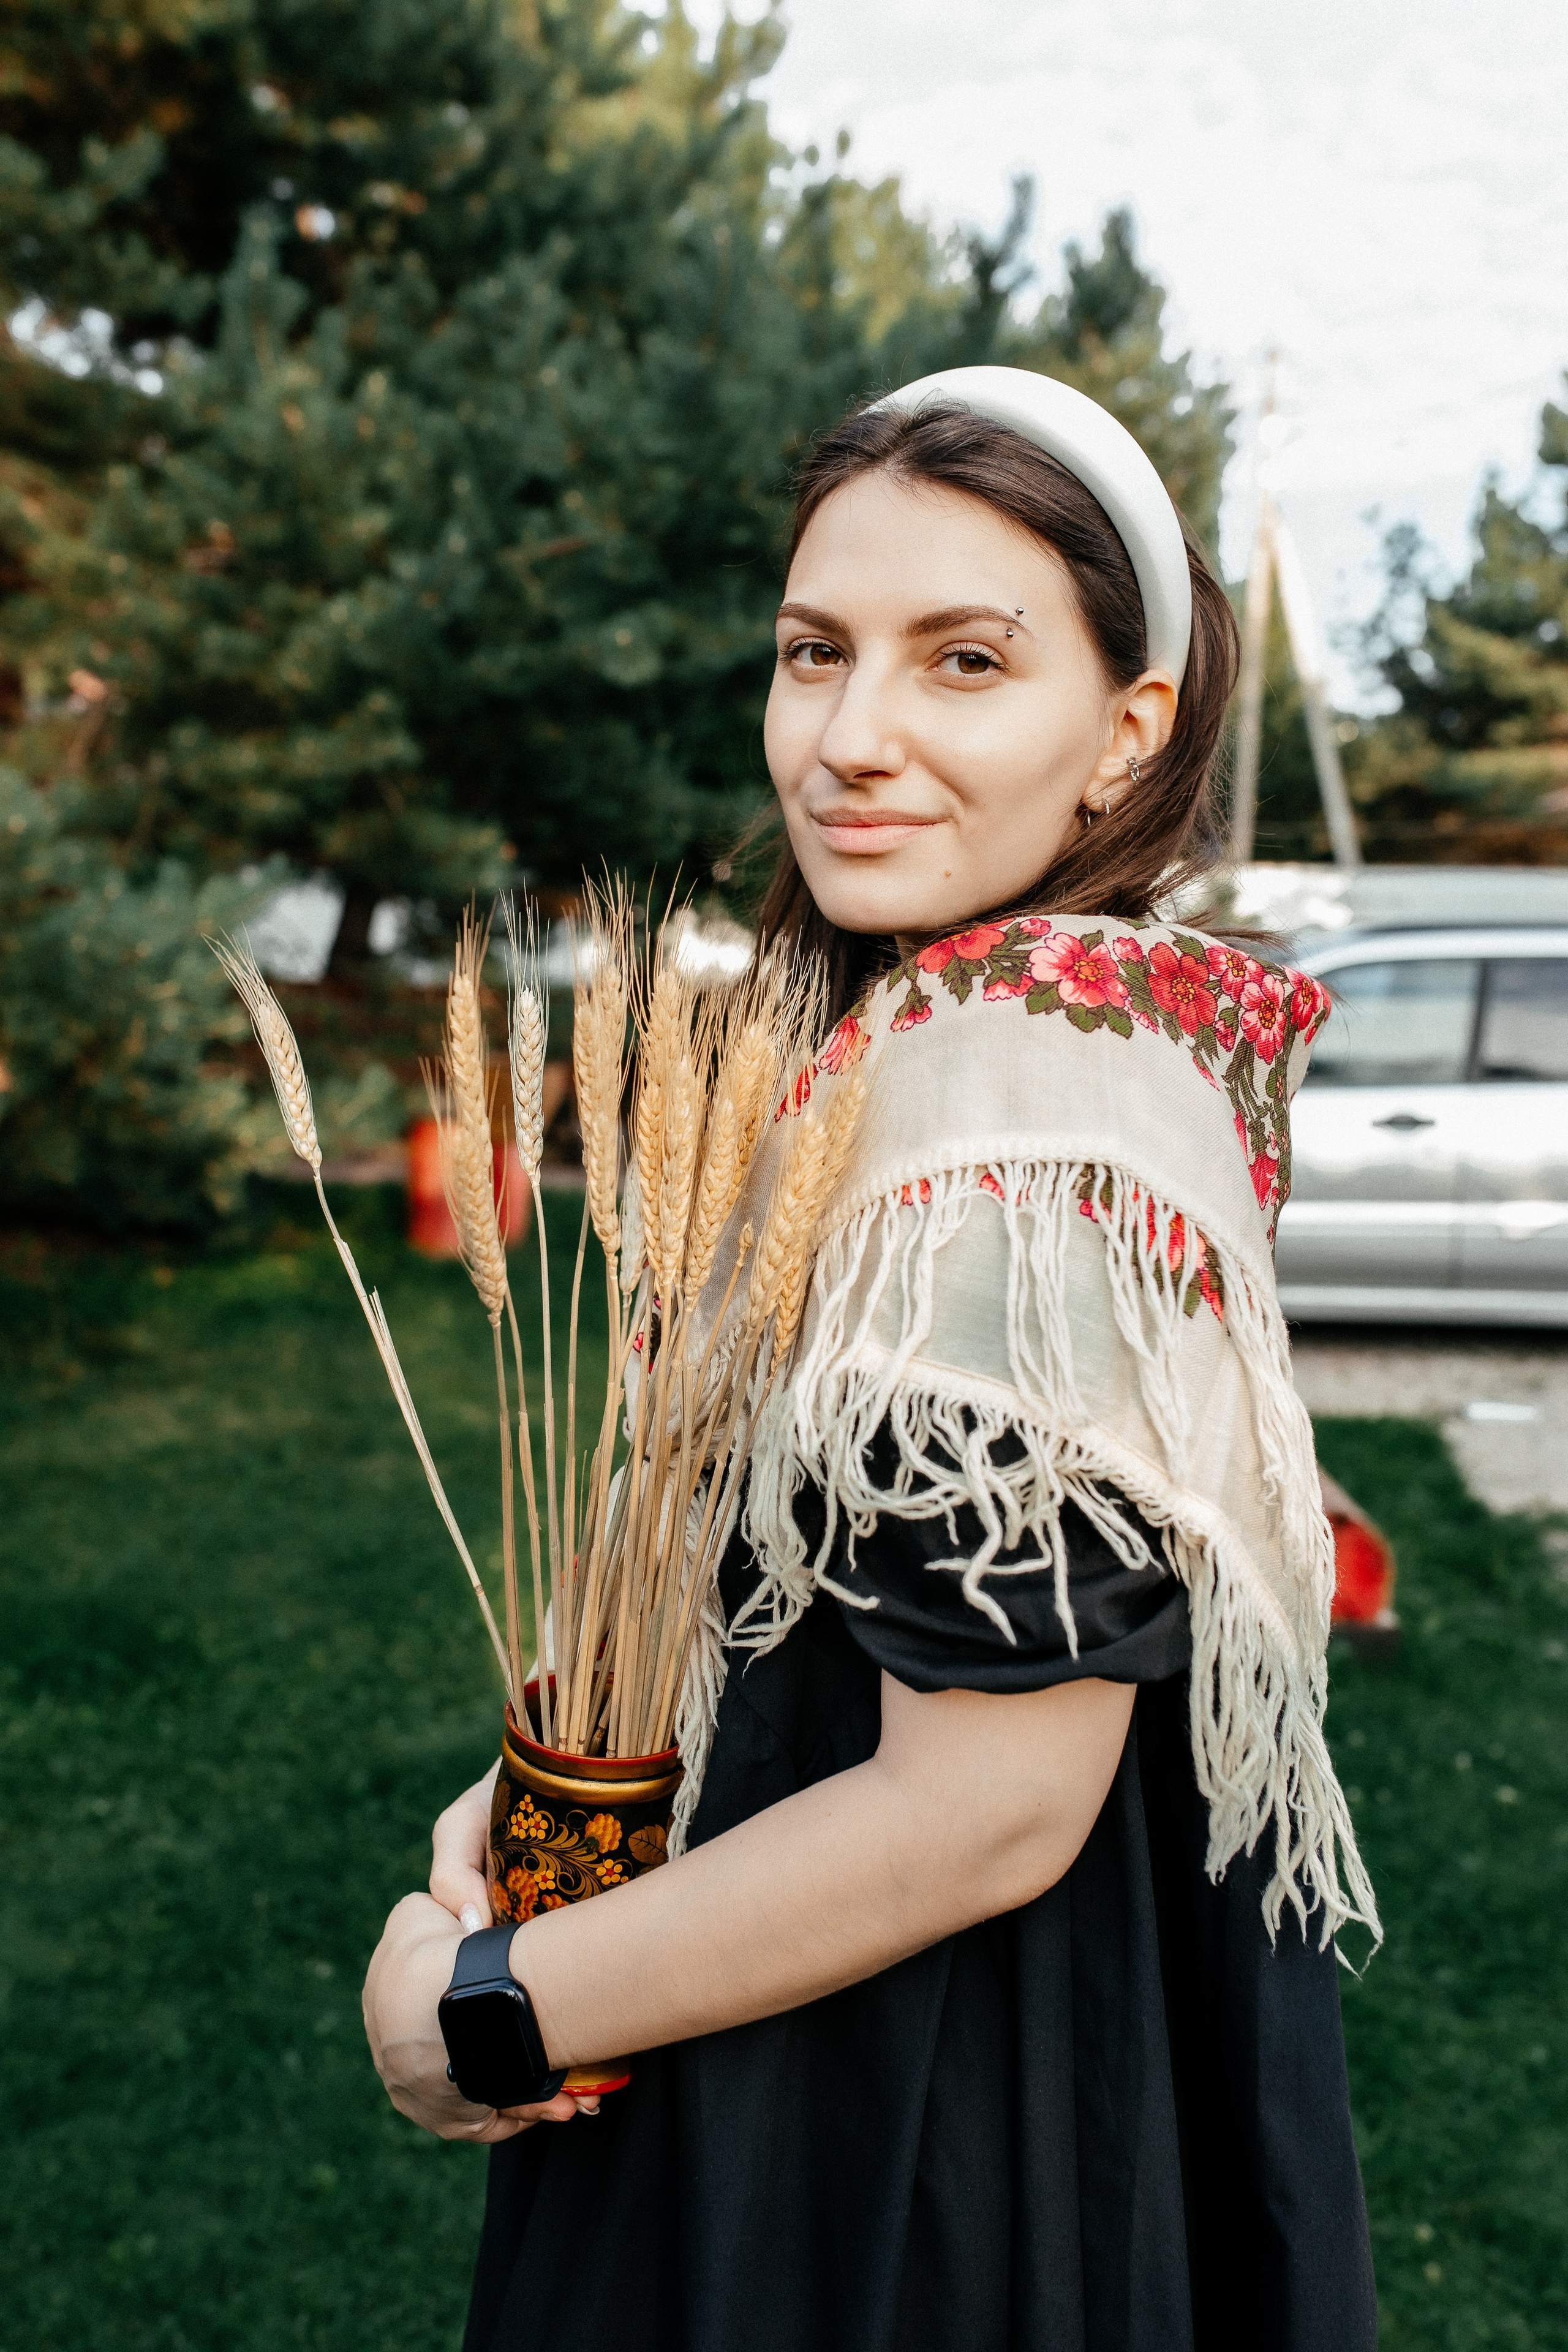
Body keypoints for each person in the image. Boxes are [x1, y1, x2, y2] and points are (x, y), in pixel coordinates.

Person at [363, 366, 1381, 2352]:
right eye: (815, 652)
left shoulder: (1023, 1096)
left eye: (965, 662)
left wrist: (484, 2018)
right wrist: (537, 1809)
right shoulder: (934, 1031)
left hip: (910, 2121)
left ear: (1127, 730)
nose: (850, 739)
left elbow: (989, 1802)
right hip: (756, 1982)